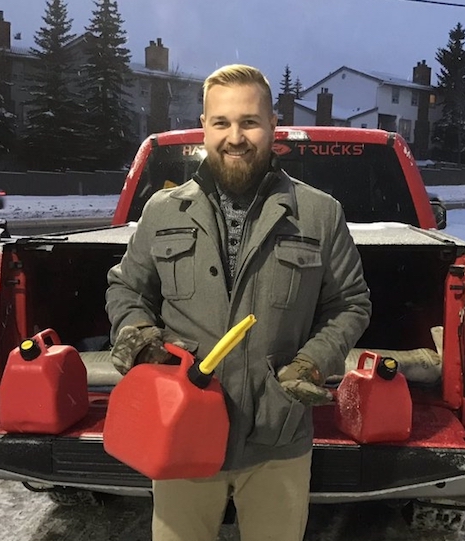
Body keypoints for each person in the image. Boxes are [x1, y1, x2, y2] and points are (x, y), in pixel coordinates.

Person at [106, 64, 372, 541]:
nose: (236, 136)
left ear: (274, 125)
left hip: (277, 435)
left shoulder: (318, 213)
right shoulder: (162, 211)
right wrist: (137, 334)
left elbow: (350, 302)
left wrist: (313, 362)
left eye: (249, 121)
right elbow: (126, 289)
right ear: (204, 126)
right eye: (222, 122)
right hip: (180, 429)